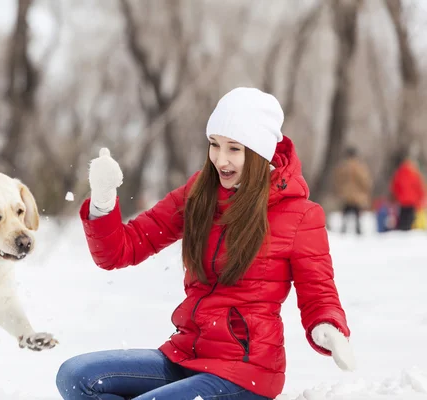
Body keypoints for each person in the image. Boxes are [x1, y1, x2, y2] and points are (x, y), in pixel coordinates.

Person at [56, 87, 355, 400]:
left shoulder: (300, 215)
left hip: (245, 373)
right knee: (76, 376)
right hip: (185, 354)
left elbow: (319, 293)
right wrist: (103, 201)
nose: (220, 159)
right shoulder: (198, 193)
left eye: (234, 149)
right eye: (214, 145)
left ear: (259, 152)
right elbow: (122, 249)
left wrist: (327, 327)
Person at [333, 147, 372, 235]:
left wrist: (339, 190)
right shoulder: (360, 167)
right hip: (357, 196)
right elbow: (365, 181)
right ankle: (358, 231)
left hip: (345, 194)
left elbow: (337, 180)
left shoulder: (342, 166)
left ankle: (343, 230)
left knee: (345, 213)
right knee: (357, 214)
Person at [390, 150, 426, 231]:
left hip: (402, 201)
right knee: (411, 218)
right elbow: (419, 187)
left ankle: (403, 230)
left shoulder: (399, 173)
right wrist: (421, 198)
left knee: (403, 217)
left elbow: (394, 187)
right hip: (412, 201)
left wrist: (397, 196)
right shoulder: (414, 173)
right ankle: (409, 230)